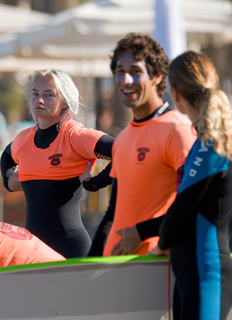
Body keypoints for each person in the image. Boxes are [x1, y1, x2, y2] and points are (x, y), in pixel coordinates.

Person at [115, 51, 232, 320]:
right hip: (196, 273)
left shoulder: (210, 145)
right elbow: (194, 207)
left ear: (174, 94)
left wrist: (161, 239)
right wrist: (148, 231)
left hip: (205, 274)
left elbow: (182, 209)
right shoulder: (213, 142)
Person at [87, 33, 196, 257]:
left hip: (153, 266)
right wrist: (91, 262)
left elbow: (193, 204)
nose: (126, 80)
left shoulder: (177, 130)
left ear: (156, 76)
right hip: (114, 266)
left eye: (135, 72)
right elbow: (112, 213)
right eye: (120, 72)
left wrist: (141, 232)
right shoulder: (124, 137)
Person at [0, 68, 114, 258]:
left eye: (49, 95)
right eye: (35, 94)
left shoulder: (74, 135)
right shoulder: (24, 139)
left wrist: (95, 183)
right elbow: (6, 156)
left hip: (69, 246)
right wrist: (9, 182)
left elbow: (124, 150)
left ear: (65, 102)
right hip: (32, 247)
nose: (40, 100)